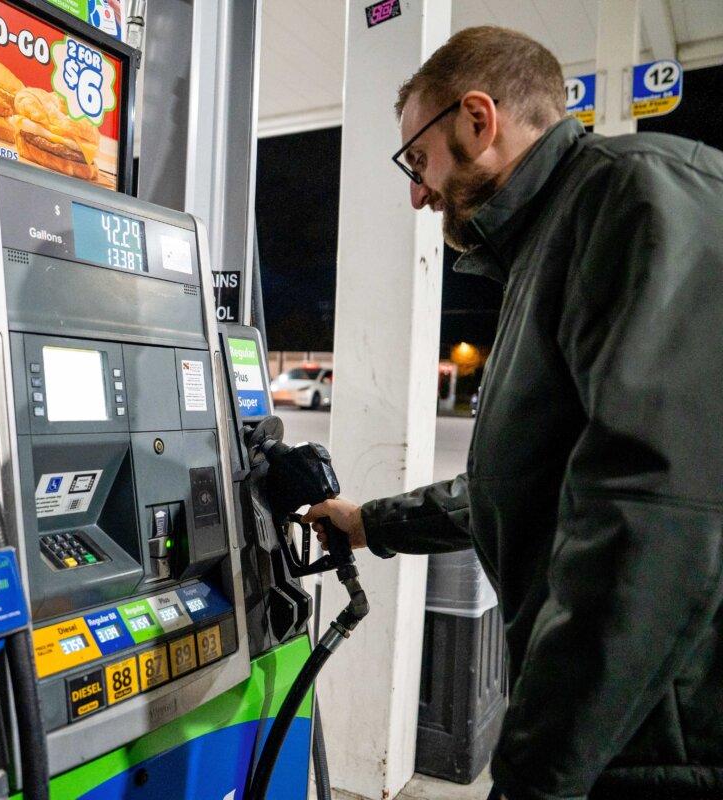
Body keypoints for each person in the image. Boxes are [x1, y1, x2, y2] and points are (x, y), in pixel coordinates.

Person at [306, 25, 723, 800]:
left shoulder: (632, 197)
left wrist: (536, 774)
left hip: (665, 738)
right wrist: (373, 523)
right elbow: (529, 478)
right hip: (631, 725)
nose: (416, 191)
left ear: (476, 119)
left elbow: (653, 515)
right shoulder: (555, 239)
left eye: (416, 159)